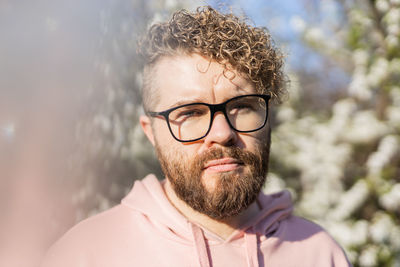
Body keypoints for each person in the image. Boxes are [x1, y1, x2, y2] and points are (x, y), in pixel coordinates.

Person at [42, 6, 352, 267]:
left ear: (269, 119)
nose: (222, 133)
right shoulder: (85, 254)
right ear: (151, 133)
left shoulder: (320, 254)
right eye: (190, 113)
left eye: (242, 107)